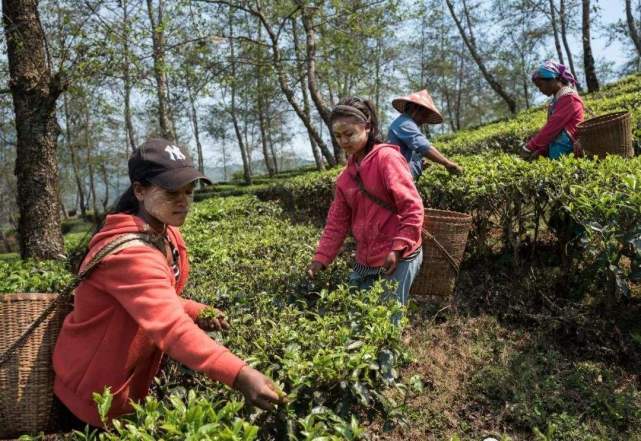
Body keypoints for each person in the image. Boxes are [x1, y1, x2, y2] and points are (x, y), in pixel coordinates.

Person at [53, 138, 284, 429]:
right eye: (172, 192)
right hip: (93, 396)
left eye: (189, 191)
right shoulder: (131, 253)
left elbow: (156, 299)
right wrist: (238, 374)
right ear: (139, 191)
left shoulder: (165, 234)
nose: (183, 201)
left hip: (124, 383)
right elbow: (170, 326)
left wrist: (197, 311)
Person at [307, 97, 424, 314]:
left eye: (349, 133)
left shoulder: (387, 159)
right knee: (356, 316)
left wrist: (398, 248)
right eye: (338, 136)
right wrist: (321, 258)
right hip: (366, 257)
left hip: (399, 253)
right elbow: (336, 224)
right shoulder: (345, 178)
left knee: (387, 319)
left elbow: (412, 207)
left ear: (367, 127)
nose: (343, 141)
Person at [388, 89, 462, 180]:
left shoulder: (403, 122)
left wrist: (419, 163)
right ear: (415, 109)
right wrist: (447, 163)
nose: (425, 120)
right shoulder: (405, 123)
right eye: (425, 115)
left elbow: (406, 152)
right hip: (398, 177)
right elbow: (424, 147)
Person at [521, 60, 585, 160]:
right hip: (558, 157)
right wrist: (542, 150)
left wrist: (529, 147)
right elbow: (554, 133)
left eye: (541, 85)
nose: (540, 90)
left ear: (554, 79)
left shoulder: (569, 99)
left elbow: (552, 127)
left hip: (570, 155)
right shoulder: (556, 102)